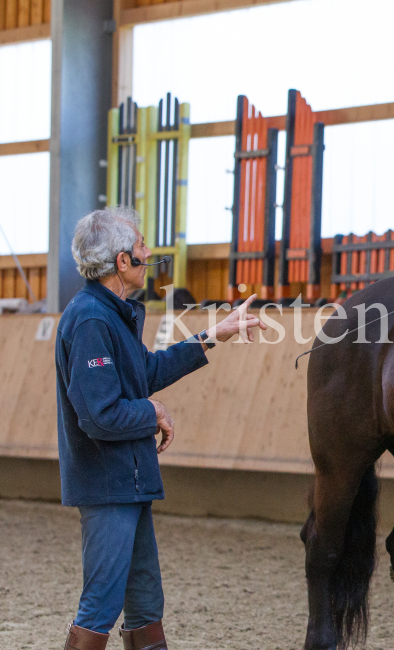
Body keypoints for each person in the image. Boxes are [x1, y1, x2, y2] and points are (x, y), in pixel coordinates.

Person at [56, 207, 265, 650]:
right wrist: (152, 413)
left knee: (147, 608)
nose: (148, 253)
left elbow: (143, 373)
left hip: (130, 481)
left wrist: (215, 334)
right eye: (141, 247)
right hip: (108, 484)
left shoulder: (115, 313)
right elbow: (98, 415)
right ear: (121, 262)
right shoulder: (92, 319)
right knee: (99, 607)